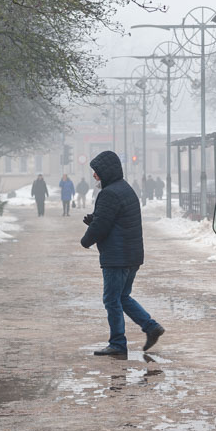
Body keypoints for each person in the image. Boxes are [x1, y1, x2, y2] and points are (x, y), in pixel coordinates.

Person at [80, 151, 165, 356]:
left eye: (96, 172)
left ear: (105, 172)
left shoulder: (109, 193)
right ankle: (151, 327)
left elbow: (103, 224)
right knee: (122, 297)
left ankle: (118, 343)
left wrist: (86, 239)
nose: (94, 176)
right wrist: (95, 218)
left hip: (117, 257)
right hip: (131, 255)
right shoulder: (125, 189)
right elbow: (114, 218)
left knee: (112, 299)